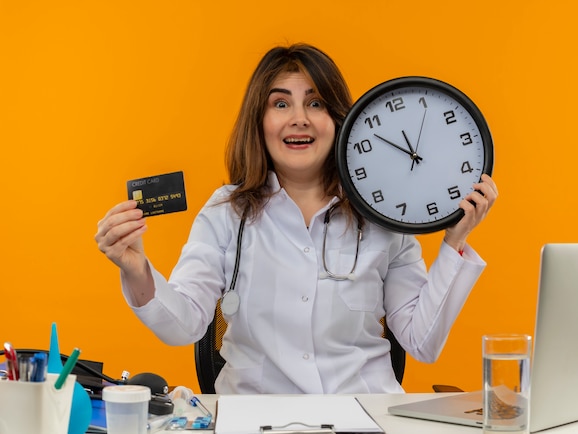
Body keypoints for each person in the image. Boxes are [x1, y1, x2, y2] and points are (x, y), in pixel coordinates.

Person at [95, 43, 498, 394]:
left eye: (316, 103)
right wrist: (136, 270)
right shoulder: (225, 212)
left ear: (340, 119)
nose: (299, 118)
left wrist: (454, 242)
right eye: (281, 103)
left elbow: (421, 342)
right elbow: (182, 325)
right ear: (261, 121)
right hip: (254, 418)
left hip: (363, 413)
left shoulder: (382, 213)